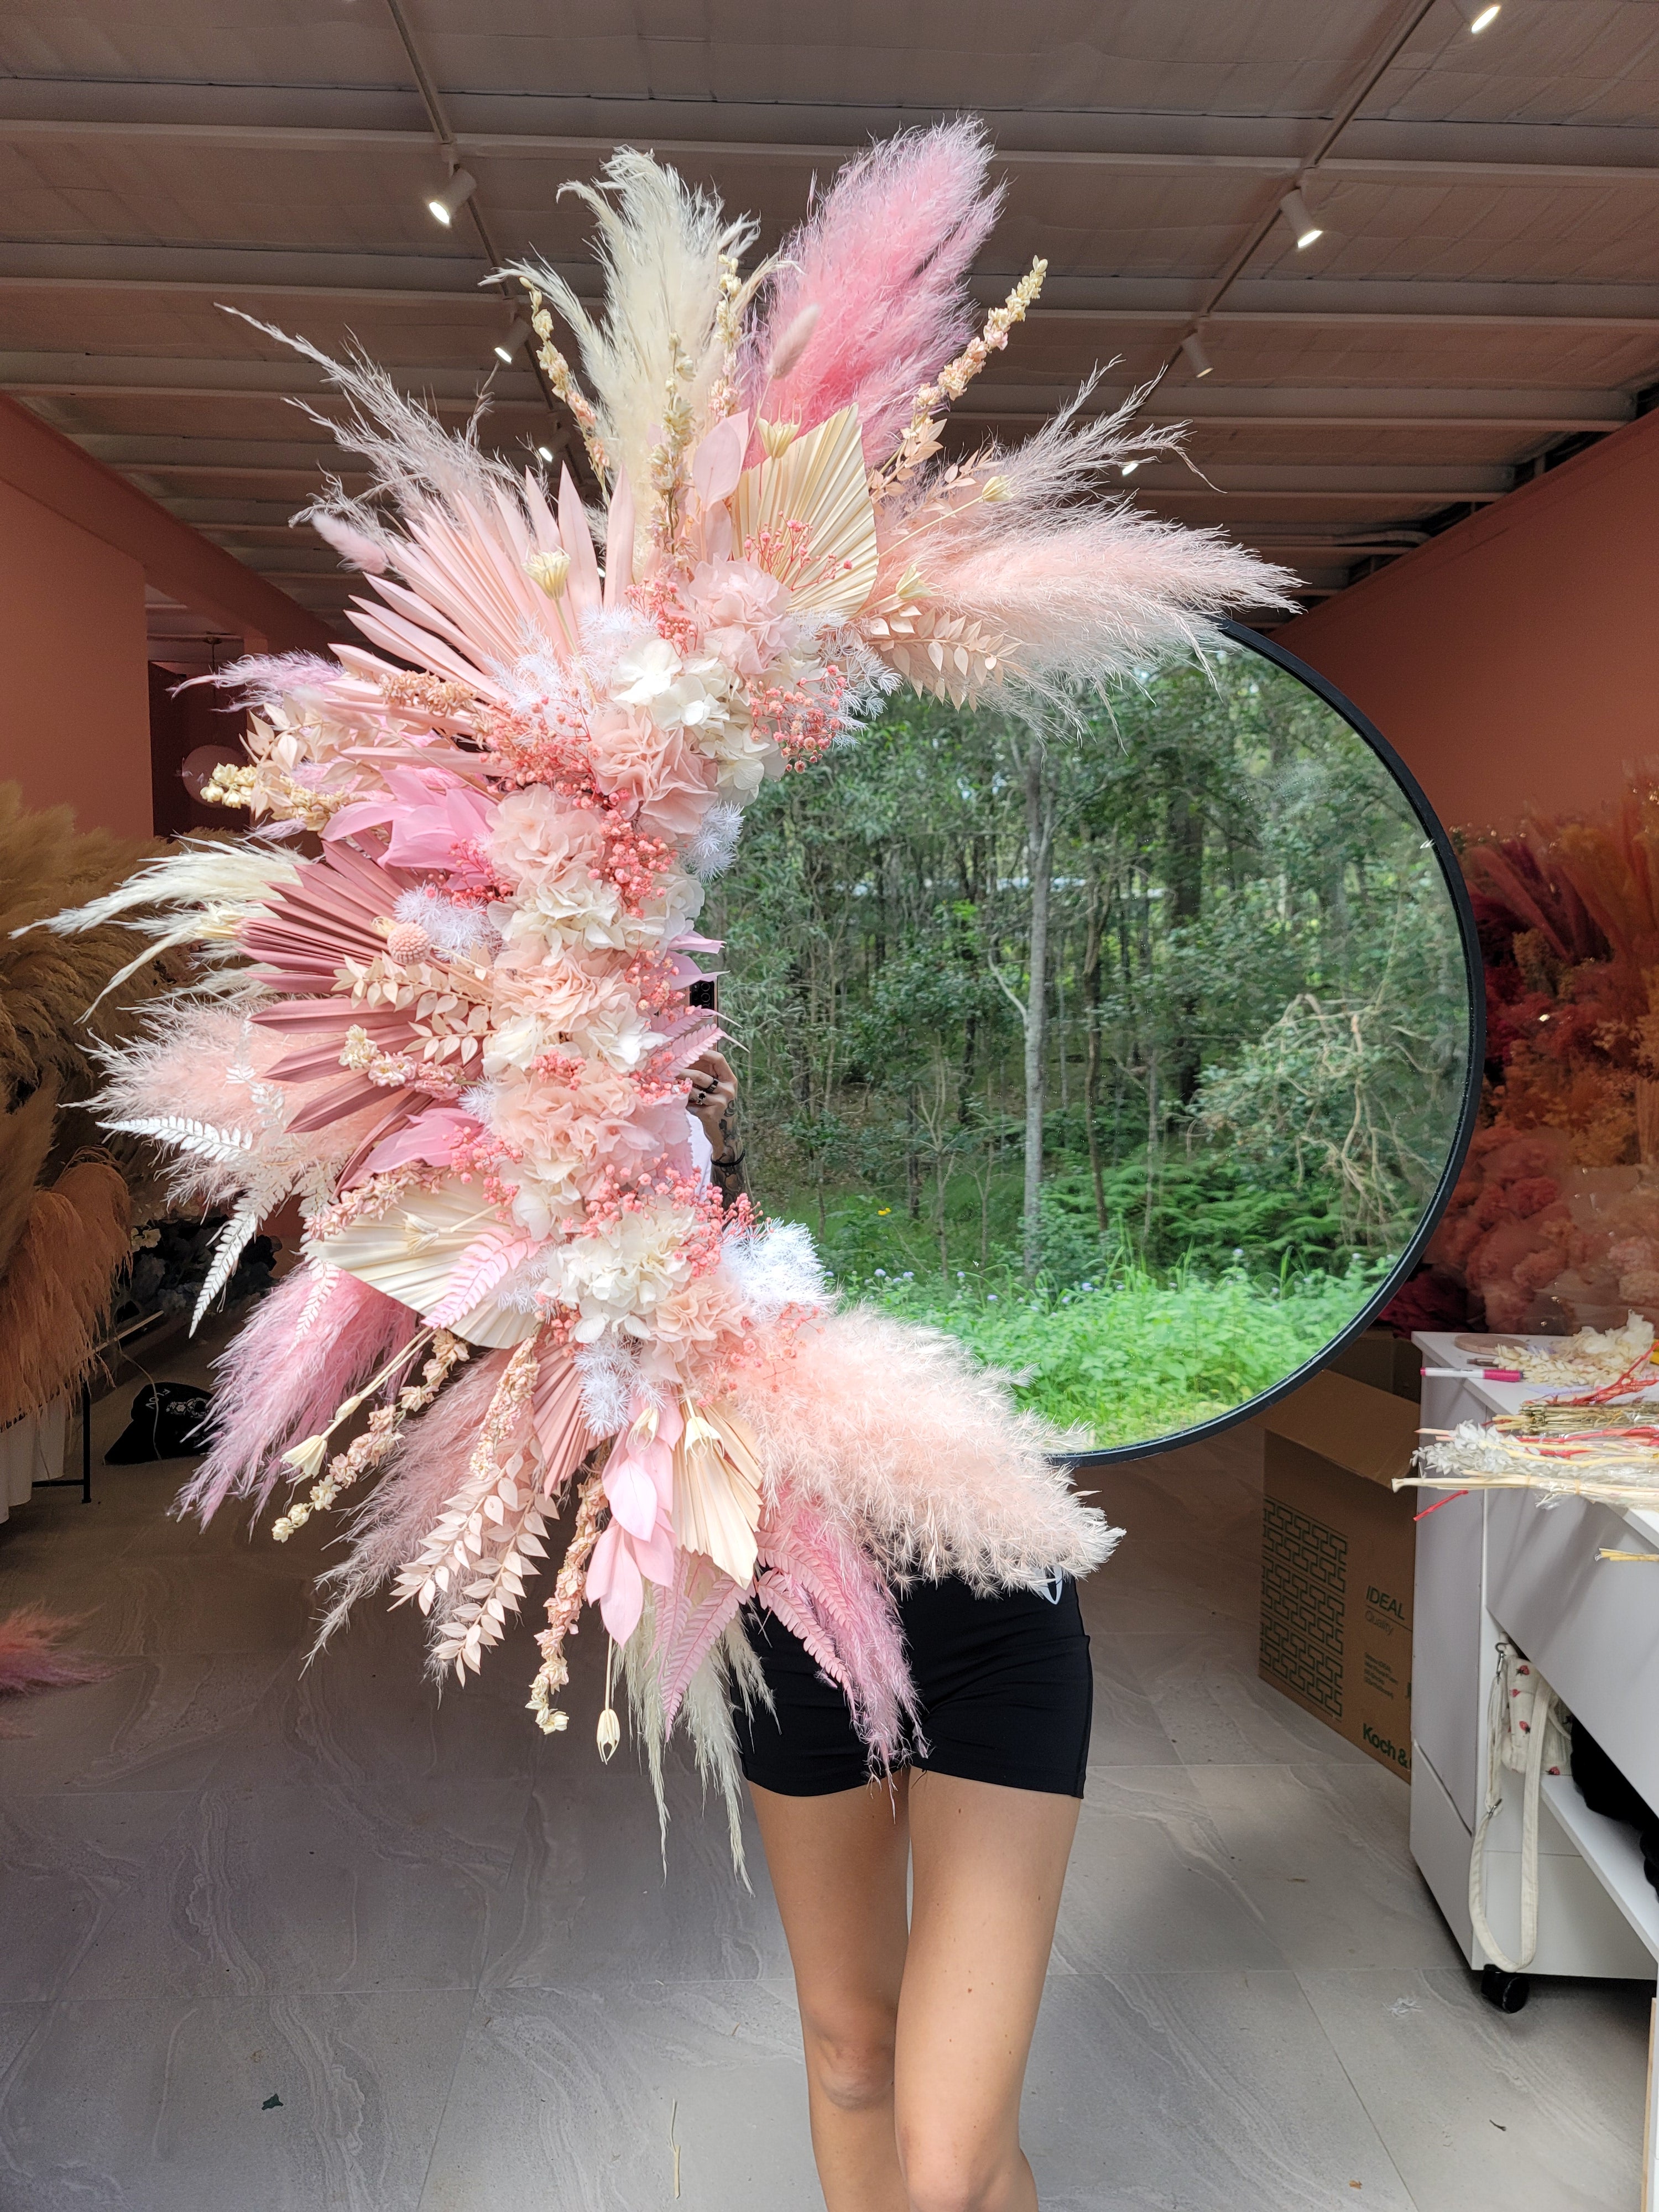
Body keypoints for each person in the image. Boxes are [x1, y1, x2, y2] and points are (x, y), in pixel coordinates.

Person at [685, 1049, 1091, 2212]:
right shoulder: (663, 1157)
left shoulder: (1004, 1194)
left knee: (953, 2165)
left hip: (998, 1597)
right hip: (796, 1609)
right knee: (854, 2054)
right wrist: (701, 1152)